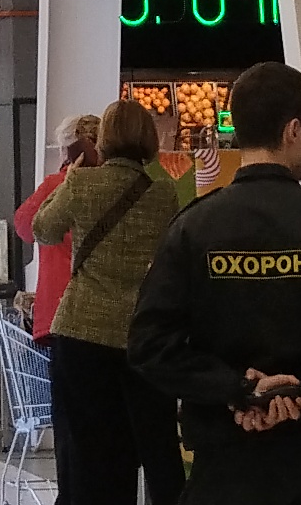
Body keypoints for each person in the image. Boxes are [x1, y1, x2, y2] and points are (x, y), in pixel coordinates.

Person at [126, 63, 301, 505]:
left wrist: (238, 389)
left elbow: (148, 346)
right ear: (293, 129)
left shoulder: (193, 228)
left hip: (220, 474)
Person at [41, 99, 187, 505]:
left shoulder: (82, 184)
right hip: (140, 335)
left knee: (87, 449)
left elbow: (43, 228)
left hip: (81, 332)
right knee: (154, 442)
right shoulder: (163, 193)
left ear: (103, 139)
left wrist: (71, 177)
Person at [12, 111, 103, 339]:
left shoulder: (56, 186)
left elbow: (24, 226)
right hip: (103, 314)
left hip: (58, 311)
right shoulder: (115, 187)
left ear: (69, 152)